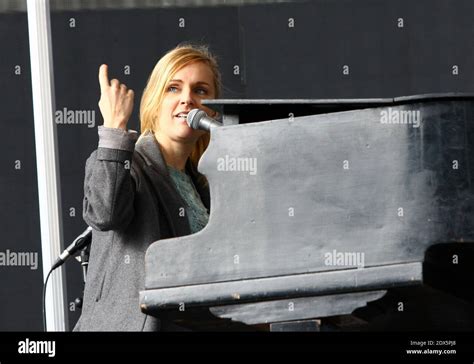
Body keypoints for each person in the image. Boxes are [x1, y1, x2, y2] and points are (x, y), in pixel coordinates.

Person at [73, 44, 221, 331]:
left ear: (214, 112)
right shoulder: (125, 162)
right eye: (173, 88)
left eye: (200, 90)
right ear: (154, 100)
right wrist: (115, 128)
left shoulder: (203, 183)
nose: (187, 99)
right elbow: (106, 215)